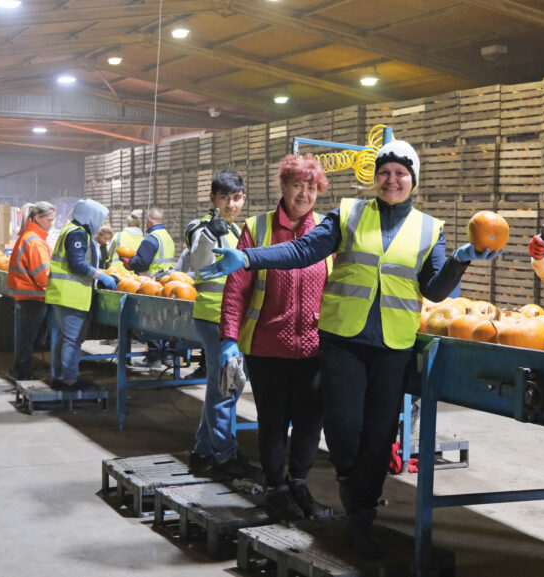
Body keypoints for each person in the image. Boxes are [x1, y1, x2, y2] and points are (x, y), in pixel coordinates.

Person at [201, 141, 499, 557]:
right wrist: (248, 259)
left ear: (413, 179)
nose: (392, 180)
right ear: (375, 176)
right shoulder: (349, 214)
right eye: (385, 172)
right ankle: (350, 494)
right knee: (342, 431)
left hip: (392, 345)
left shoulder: (431, 229)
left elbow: (434, 289)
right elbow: (304, 250)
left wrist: (462, 259)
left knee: (378, 436)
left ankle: (360, 517)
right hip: (343, 342)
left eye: (401, 173)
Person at [220, 156, 334, 521]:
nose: (304, 194)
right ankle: (276, 490)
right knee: (272, 421)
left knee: (310, 422)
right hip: (268, 346)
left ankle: (298, 483)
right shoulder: (258, 228)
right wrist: (228, 338)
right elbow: (237, 289)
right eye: (298, 185)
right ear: (282, 186)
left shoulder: (329, 232)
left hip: (315, 348)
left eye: (312, 188)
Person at [183, 171, 249, 474]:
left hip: (232, 320)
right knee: (224, 388)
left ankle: (204, 451)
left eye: (236, 198)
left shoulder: (238, 232)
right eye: (224, 197)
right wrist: (210, 232)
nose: (231, 204)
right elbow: (198, 260)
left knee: (219, 386)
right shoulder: (201, 228)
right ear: (213, 198)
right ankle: (223, 456)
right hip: (213, 317)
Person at [45, 199, 116, 391]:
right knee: (72, 339)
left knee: (64, 337)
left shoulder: (71, 229)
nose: (100, 224)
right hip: (71, 295)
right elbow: (76, 263)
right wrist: (100, 275)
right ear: (90, 216)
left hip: (64, 293)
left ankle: (60, 376)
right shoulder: (77, 233)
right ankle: (70, 380)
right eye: (99, 219)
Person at [7, 202, 55, 381]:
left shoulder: (30, 237)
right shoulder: (34, 241)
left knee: (26, 337)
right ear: (38, 218)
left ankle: (21, 370)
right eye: (49, 220)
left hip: (26, 295)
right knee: (30, 339)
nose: (52, 223)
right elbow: (43, 276)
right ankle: (24, 374)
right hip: (33, 296)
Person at [125, 207, 176, 367]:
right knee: (165, 322)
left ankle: (153, 359)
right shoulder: (167, 237)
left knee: (152, 323)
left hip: (151, 286)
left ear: (148, 221)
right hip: (167, 285)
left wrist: (129, 262)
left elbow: (142, 262)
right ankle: (167, 356)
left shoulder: (151, 238)